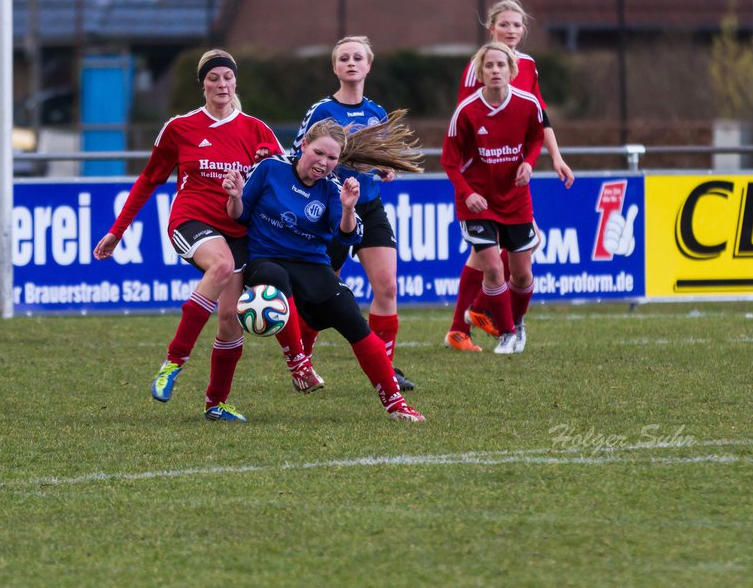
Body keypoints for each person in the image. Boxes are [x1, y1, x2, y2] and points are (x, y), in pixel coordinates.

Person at [92, 49, 312, 420]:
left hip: (237, 228)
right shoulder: (180, 128)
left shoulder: (258, 131)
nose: (221, 84)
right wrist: (118, 231)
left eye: (227, 77)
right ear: (203, 85)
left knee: (230, 318)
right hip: (191, 221)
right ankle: (173, 362)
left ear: (235, 82)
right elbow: (149, 180)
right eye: (213, 78)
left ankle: (216, 403)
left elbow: (283, 183)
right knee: (222, 264)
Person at [219, 115, 425, 422]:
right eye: (318, 153)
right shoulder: (270, 169)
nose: (324, 162)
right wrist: (234, 197)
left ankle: (395, 403)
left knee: (355, 321)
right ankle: (298, 363)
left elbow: (346, 234)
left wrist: (348, 208)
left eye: (332, 158)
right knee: (276, 279)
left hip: (312, 265)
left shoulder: (333, 190)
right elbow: (238, 215)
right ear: (304, 146)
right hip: (266, 260)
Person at [445, 0, 574, 353]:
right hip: (483, 179)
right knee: (488, 257)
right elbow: (469, 118)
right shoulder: (480, 66)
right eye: (504, 25)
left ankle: (472, 322)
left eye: (517, 25)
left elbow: (538, 118)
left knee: (500, 260)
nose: (511, 31)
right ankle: (474, 323)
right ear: (491, 29)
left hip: (512, 180)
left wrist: (555, 157)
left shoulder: (528, 65)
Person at [291, 36, 416, 390]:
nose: (350, 62)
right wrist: (331, 166)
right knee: (318, 296)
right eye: (343, 58)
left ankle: (385, 370)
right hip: (330, 209)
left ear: (368, 65)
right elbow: (296, 156)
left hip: (369, 206)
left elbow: (381, 157)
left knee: (387, 286)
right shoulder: (321, 111)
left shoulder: (376, 112)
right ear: (335, 67)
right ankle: (302, 364)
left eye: (357, 57)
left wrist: (385, 169)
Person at [441, 42, 546, 356]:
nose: (495, 70)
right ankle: (507, 335)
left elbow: (536, 137)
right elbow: (449, 160)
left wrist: (529, 162)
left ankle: (516, 321)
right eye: (489, 66)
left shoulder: (527, 104)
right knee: (493, 268)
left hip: (515, 200)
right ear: (480, 72)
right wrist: (468, 193)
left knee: (523, 272)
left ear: (512, 71)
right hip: (478, 203)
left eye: (501, 65)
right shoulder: (467, 111)